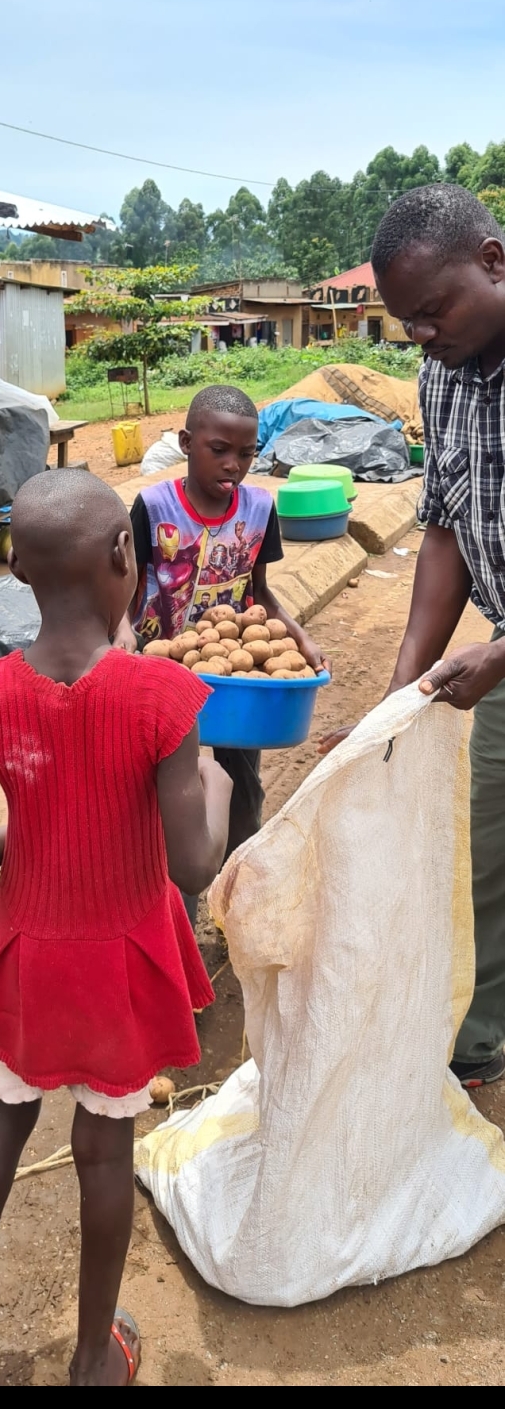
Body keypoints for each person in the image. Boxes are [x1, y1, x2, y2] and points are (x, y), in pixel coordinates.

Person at [0, 469, 232, 1387]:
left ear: (14, 567)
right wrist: (210, 778)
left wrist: (28, 829)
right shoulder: (161, 699)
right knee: (102, 1153)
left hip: (23, 955)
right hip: (120, 967)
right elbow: (191, 865)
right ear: (124, 556)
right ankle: (94, 1356)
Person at [319, 182, 505, 1089]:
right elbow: (444, 524)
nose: (422, 336)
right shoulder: (442, 374)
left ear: (492, 260)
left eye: (433, 311)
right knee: (485, 851)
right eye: (408, 324)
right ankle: (476, 1037)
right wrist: (404, 685)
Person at [114, 384, 329, 925]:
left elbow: (259, 591)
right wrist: (120, 630)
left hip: (234, 686)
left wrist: (299, 636)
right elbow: (125, 583)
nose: (234, 464)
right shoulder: (154, 505)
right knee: (171, 802)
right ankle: (175, 925)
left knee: (240, 793)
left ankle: (237, 906)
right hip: (162, 680)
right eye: (219, 450)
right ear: (187, 443)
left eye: (247, 452)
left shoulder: (259, 509)